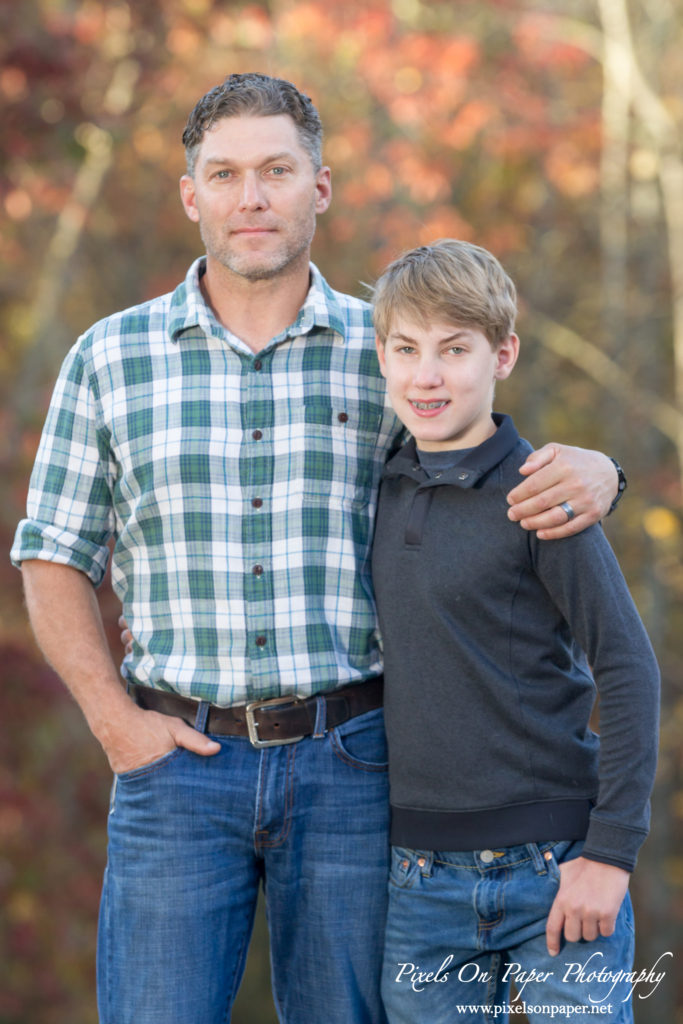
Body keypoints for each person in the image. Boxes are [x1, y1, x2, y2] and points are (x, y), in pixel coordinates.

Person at [11, 74, 623, 1024]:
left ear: (319, 188)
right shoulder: (108, 357)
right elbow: (52, 555)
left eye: (275, 170)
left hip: (357, 766)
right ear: (192, 196)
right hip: (175, 765)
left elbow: (493, 473)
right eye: (224, 174)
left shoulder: (387, 350)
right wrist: (112, 721)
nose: (250, 196)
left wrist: (602, 470)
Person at [370, 239, 660, 1023]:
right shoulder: (378, 489)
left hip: (556, 869)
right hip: (418, 881)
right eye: (406, 349)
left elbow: (629, 670)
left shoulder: (542, 496)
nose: (427, 375)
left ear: (503, 353)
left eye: (454, 350)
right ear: (382, 355)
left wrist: (609, 853)